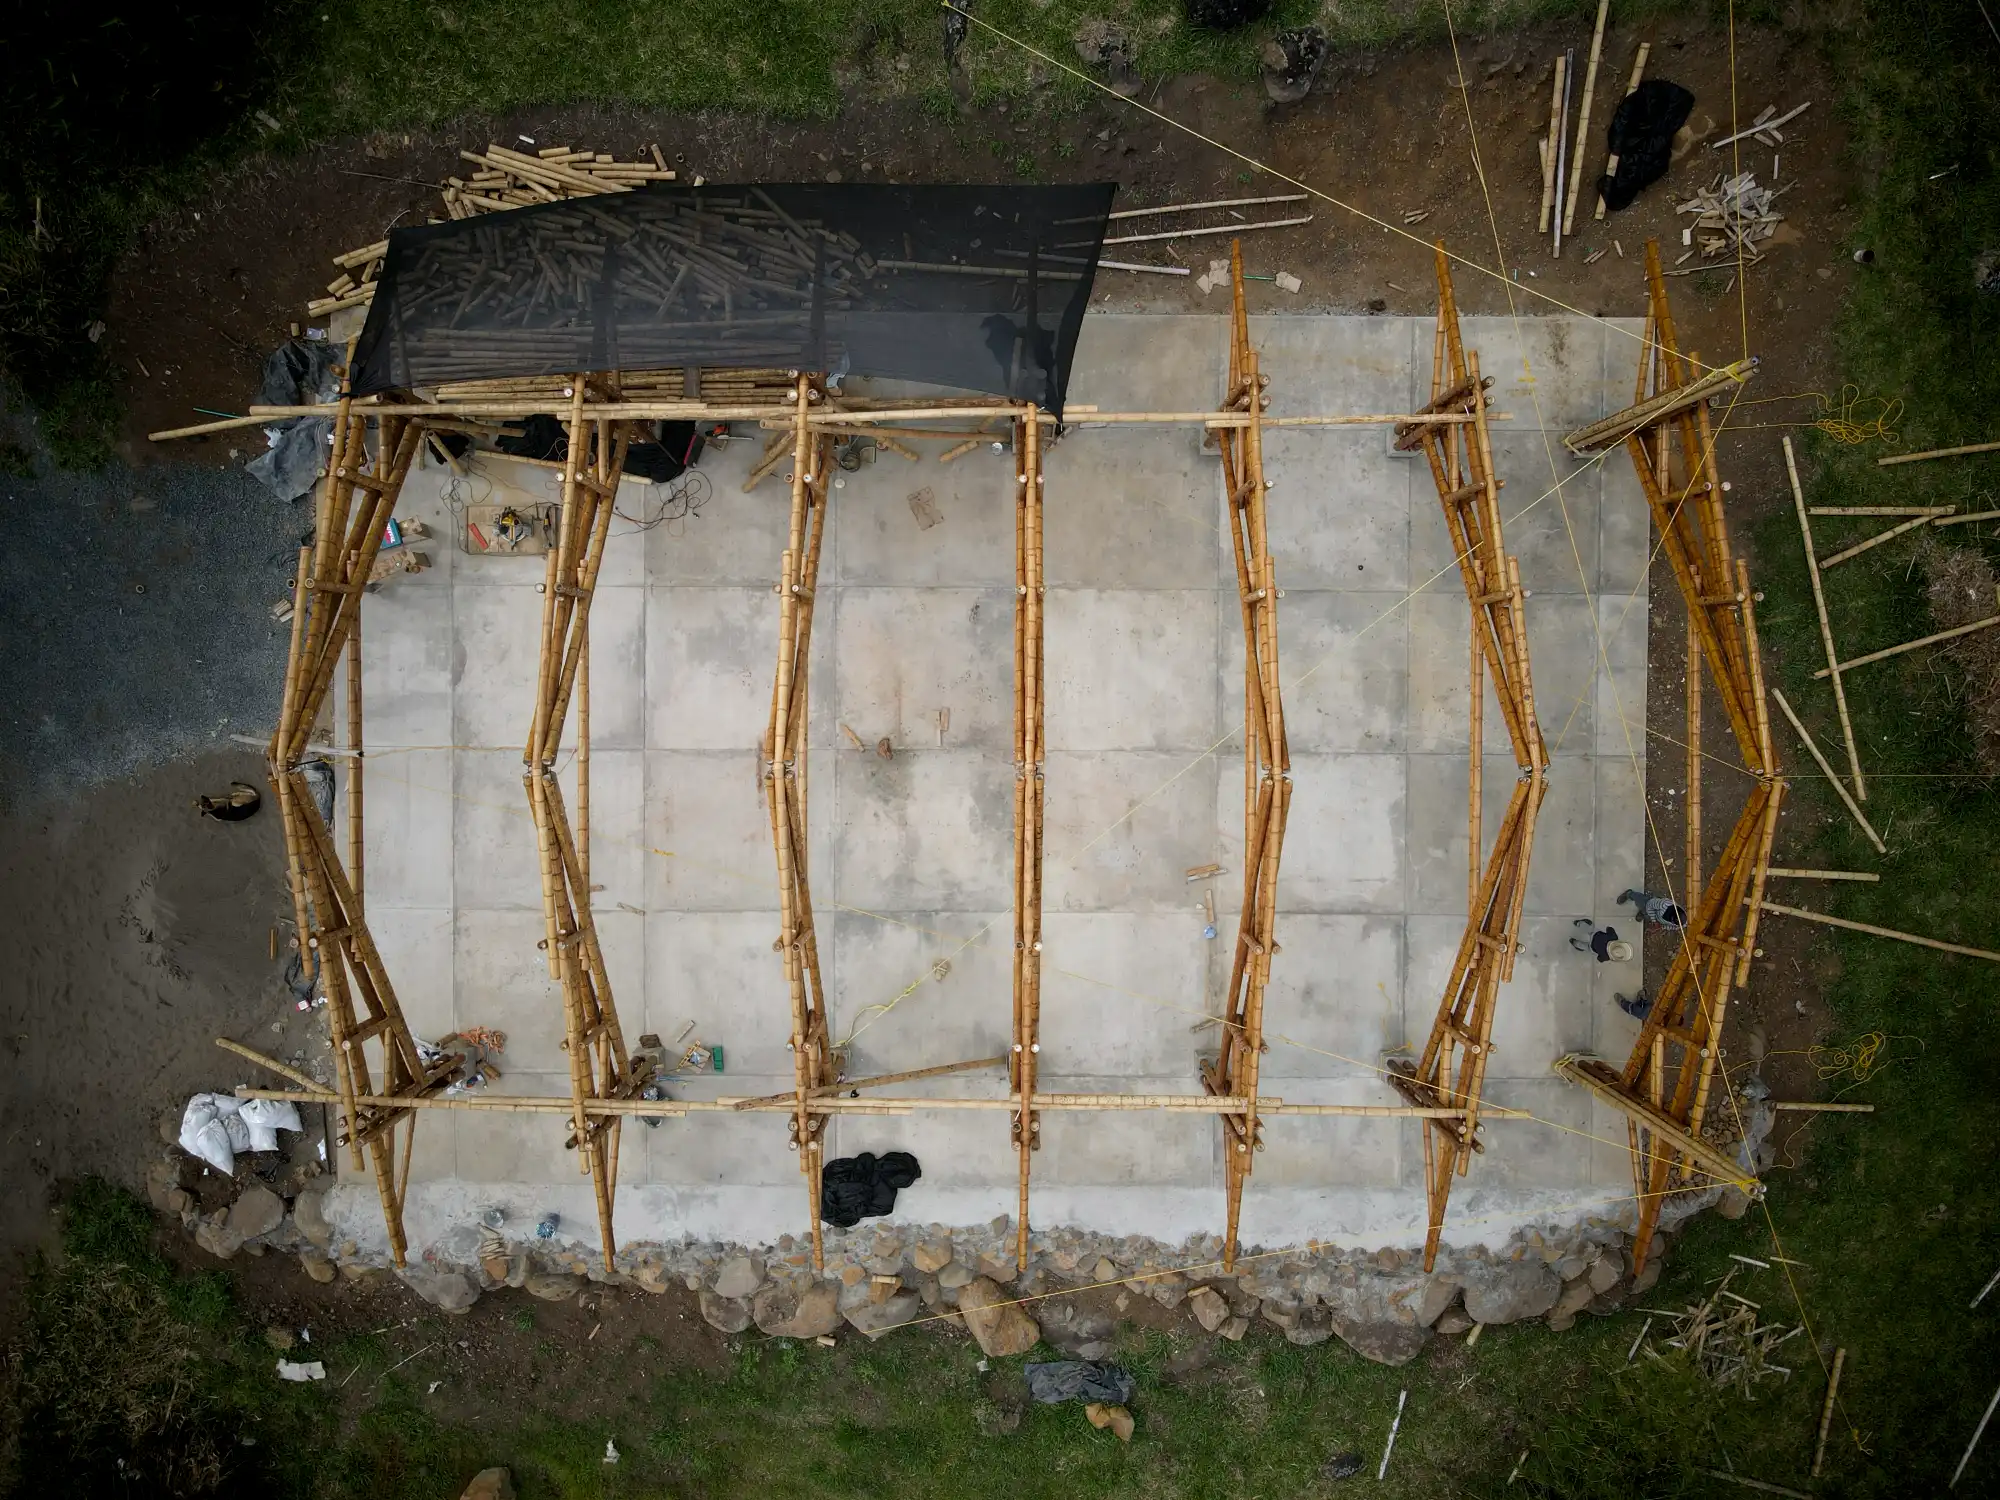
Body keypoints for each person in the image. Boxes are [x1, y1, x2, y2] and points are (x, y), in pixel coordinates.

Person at [1619, 888, 1688, 930]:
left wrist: (1661, 927)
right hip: (1650, 904)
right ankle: (1629, 894)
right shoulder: (1664, 904)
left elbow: (1673, 927)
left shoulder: (1682, 924)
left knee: (1647, 914)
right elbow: (1649, 905)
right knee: (1641, 901)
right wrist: (1654, 921)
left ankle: (1643, 913)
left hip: (1657, 917)